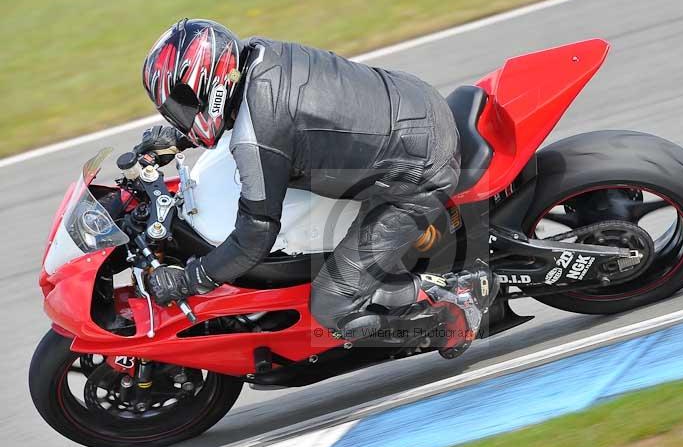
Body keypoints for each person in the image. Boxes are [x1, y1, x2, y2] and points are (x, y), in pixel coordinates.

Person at [139, 19, 497, 356]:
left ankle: (452, 304)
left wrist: (192, 278)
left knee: (333, 307)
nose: (179, 116)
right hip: (414, 102)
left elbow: (254, 237)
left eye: (181, 105)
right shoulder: (259, 54)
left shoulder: (259, 135)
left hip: (419, 172)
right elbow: (266, 114)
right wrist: (178, 138)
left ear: (208, 84)